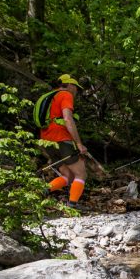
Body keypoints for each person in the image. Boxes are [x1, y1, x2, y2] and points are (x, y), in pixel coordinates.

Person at [41, 74, 89, 208]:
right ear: (71, 85)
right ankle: (72, 205)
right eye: (76, 88)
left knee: (67, 175)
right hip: (61, 138)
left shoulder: (49, 97)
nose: (76, 91)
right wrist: (79, 144)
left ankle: (40, 192)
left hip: (46, 140)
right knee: (81, 173)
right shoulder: (66, 95)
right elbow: (68, 119)